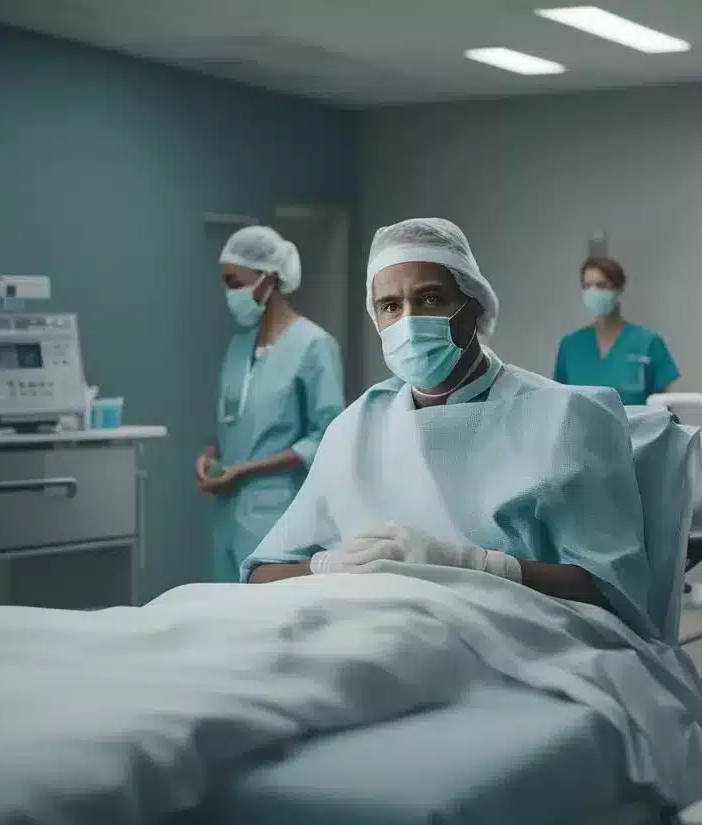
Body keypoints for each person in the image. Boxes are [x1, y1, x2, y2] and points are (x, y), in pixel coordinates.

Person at [240, 218, 657, 639]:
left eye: (430, 298)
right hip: (365, 633)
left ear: (473, 304)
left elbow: (615, 591)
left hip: (506, 640)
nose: (409, 321)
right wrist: (328, 566)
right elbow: (261, 572)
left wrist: (477, 566)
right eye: (390, 306)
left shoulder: (566, 419)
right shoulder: (355, 429)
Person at [197, 226, 345, 583]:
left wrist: (244, 471)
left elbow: (326, 436)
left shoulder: (314, 346)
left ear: (268, 279)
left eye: (236, 282)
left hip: (278, 512)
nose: (230, 293)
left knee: (267, 616)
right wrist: (208, 454)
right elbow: (232, 419)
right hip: (227, 512)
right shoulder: (238, 347)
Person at [553, 256, 679, 406]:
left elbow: (663, 409)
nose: (593, 292)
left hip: (634, 428)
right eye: (587, 286)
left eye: (601, 285)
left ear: (619, 290)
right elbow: (560, 404)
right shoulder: (571, 346)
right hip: (583, 429)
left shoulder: (648, 343)